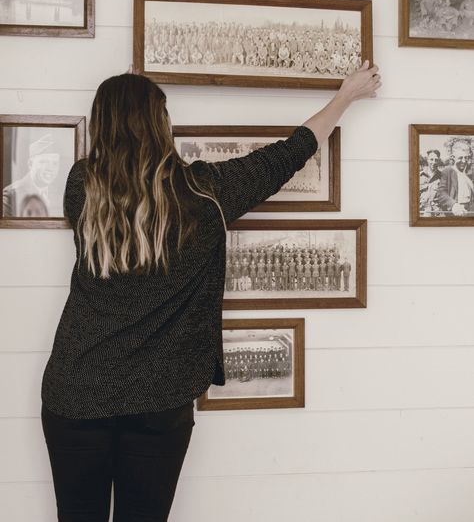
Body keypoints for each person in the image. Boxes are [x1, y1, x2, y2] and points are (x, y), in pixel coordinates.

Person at [40, 60, 381, 521]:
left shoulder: (82, 186)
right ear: (161, 124)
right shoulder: (205, 192)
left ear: (102, 124)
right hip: (160, 401)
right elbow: (287, 155)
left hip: (75, 392)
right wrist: (346, 97)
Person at [436, 141, 474, 217]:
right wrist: (453, 205)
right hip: (455, 212)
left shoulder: (470, 173)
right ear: (453, 157)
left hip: (470, 212)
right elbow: (441, 193)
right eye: (460, 158)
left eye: (466, 158)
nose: (464, 161)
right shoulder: (448, 171)